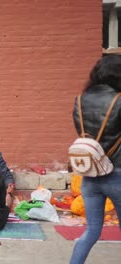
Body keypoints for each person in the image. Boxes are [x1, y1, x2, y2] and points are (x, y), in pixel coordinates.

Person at [69, 55, 121, 264]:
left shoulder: (80, 100)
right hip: (117, 172)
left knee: (91, 231)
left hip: (90, 173)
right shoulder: (119, 100)